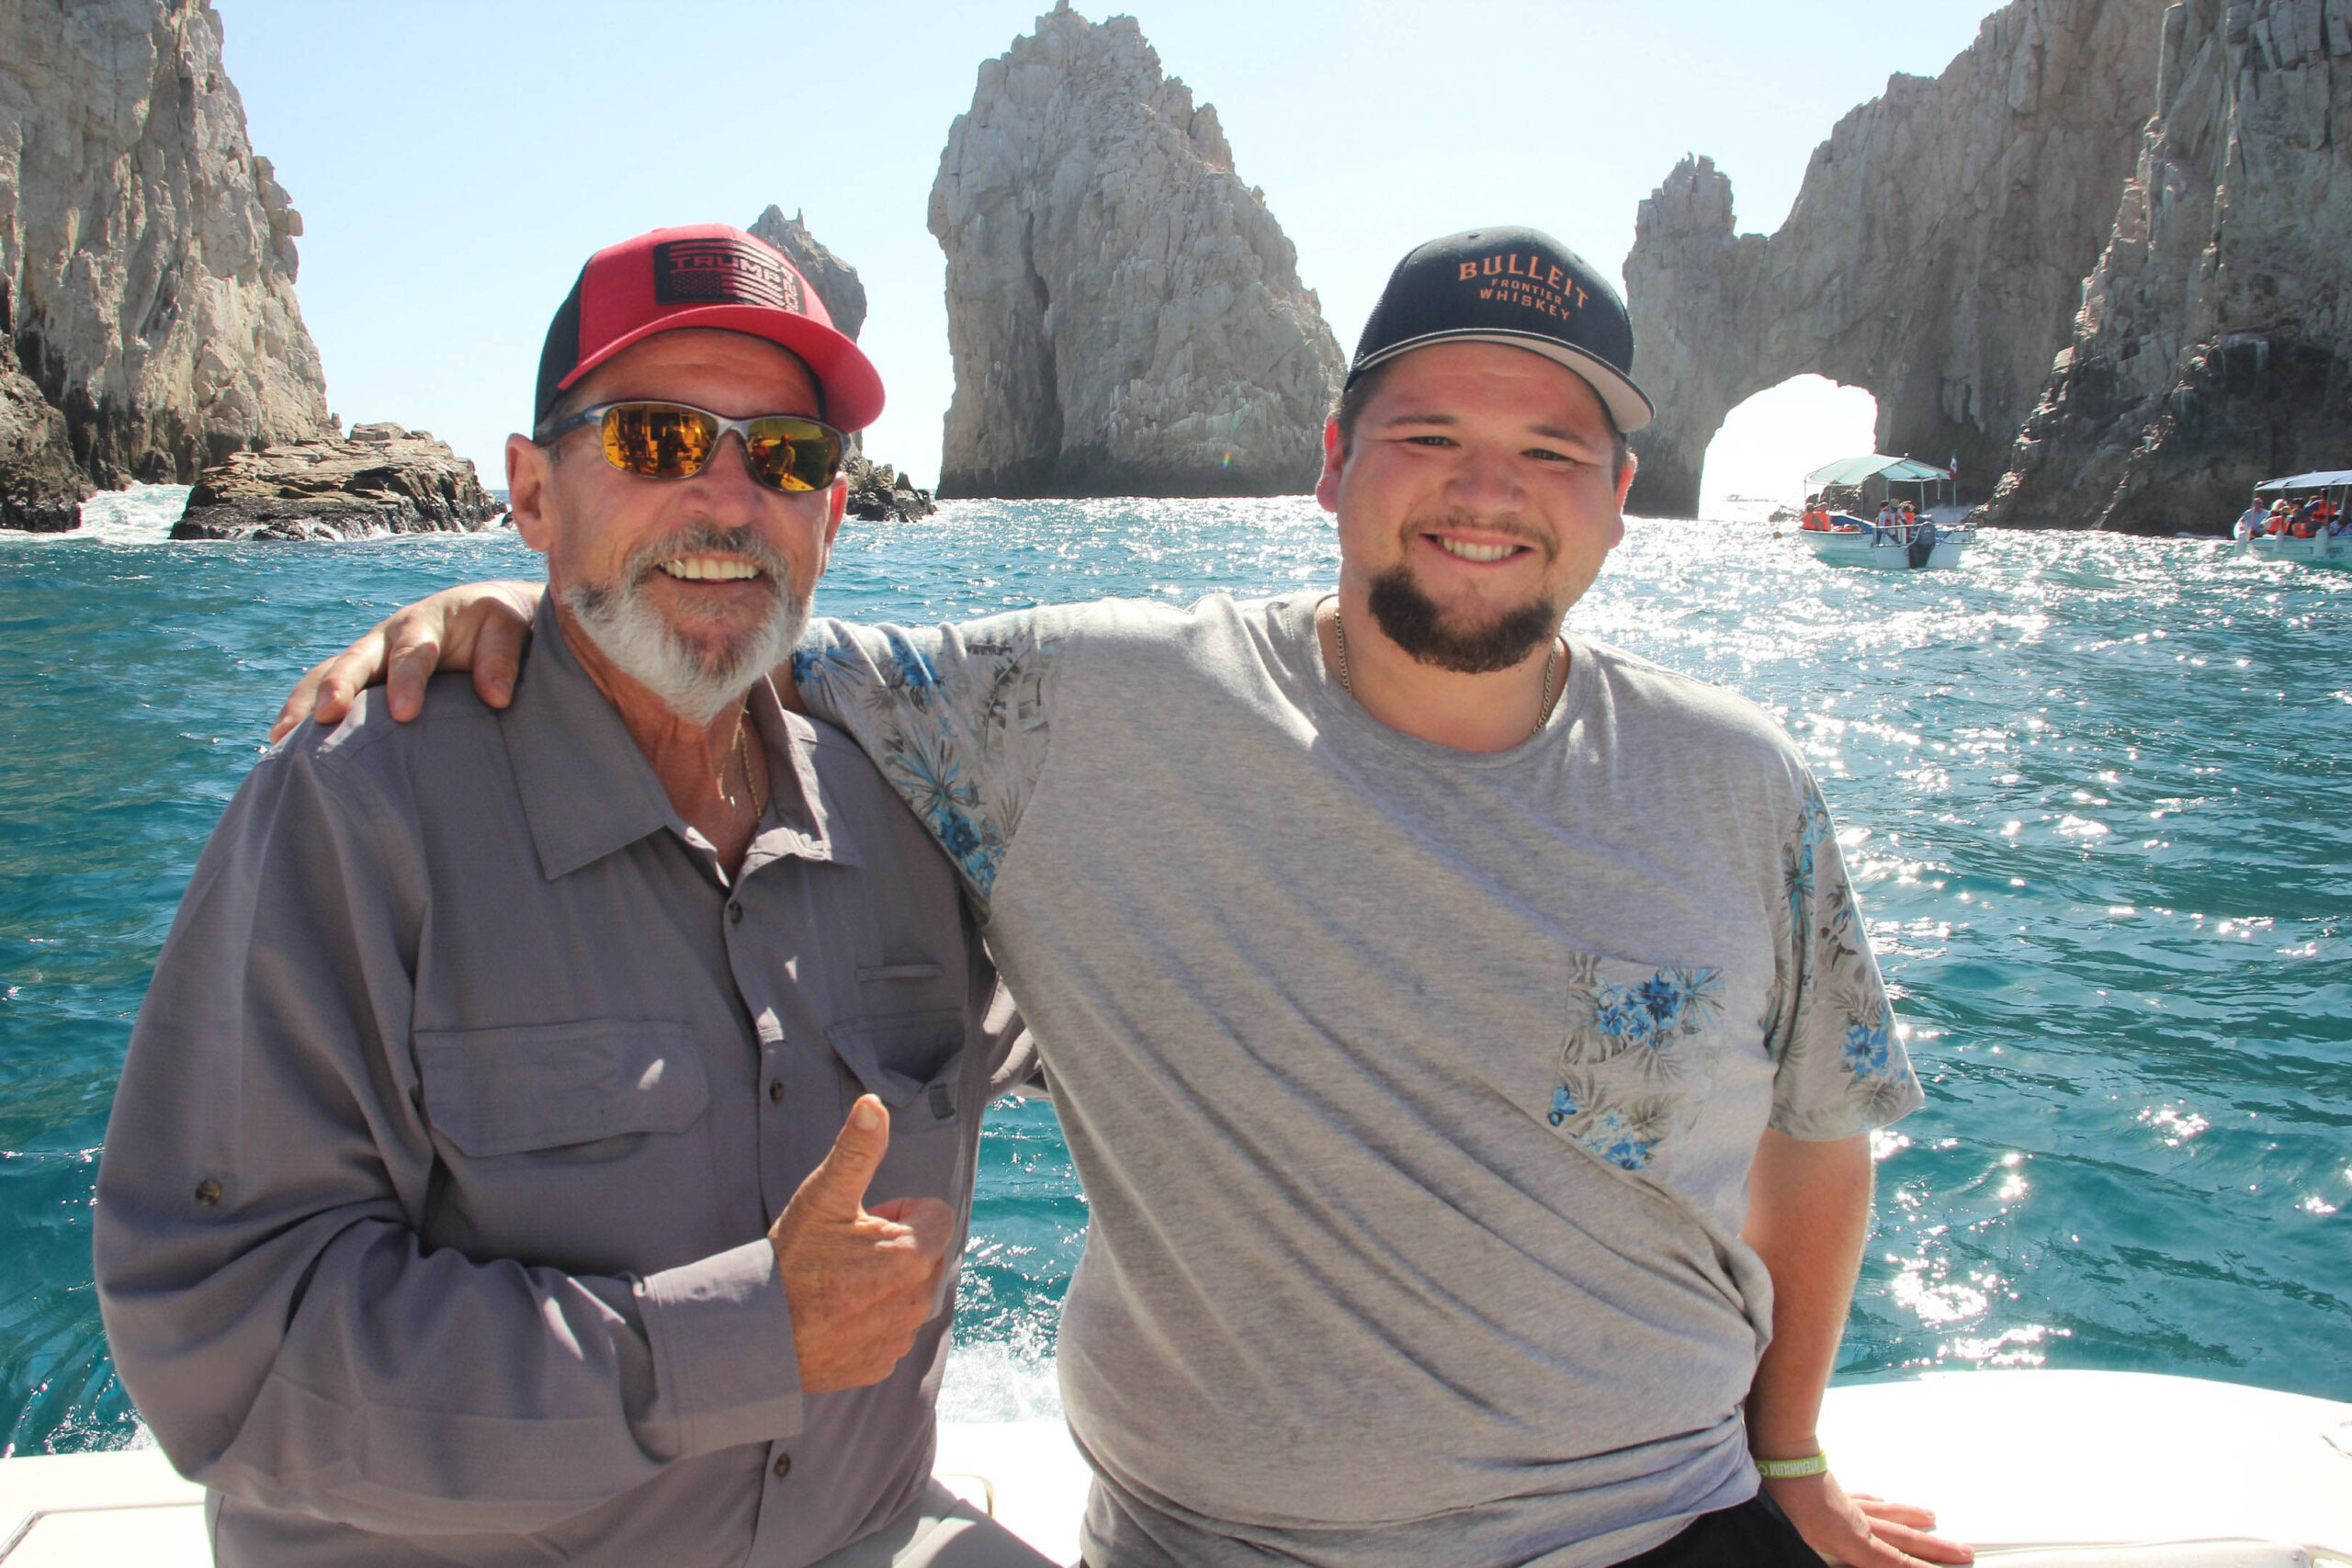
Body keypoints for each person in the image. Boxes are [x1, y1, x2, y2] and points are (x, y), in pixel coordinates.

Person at [280, 226, 1973, 1568]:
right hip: (1220, 1547)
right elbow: (718, 615)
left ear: (1622, 497)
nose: (1485, 491)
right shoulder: (1075, 713)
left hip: (1662, 1524)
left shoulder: (1741, 781)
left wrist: (1794, 1447)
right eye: (1431, 435)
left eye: (1552, 448)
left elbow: (1819, 1133)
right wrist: (519, 596)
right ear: (1332, 463)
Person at [95, 225, 1056, 1568]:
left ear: (833, 513)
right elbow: (223, 1350)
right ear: (534, 499)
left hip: (865, 1534)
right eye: (660, 442)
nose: (729, 501)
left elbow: (1130, 1025)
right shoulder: (361, 809)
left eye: (785, 454)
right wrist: (739, 1342)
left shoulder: (909, 819)